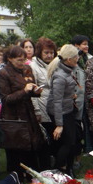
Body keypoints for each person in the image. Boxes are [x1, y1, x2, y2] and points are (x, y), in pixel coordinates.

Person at [0, 45, 45, 180]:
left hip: (28, 112)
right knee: (17, 147)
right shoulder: (4, 73)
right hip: (14, 116)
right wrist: (24, 91)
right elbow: (6, 99)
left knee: (32, 144)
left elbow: (29, 92)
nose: (22, 63)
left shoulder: (26, 70)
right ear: (10, 59)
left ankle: (32, 174)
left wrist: (35, 92)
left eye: (24, 60)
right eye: (19, 60)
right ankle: (17, 176)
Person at [46, 45, 80, 176]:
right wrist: (59, 125)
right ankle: (58, 168)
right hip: (59, 112)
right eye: (76, 56)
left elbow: (64, 94)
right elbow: (57, 101)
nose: (78, 58)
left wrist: (70, 95)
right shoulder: (60, 76)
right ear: (69, 59)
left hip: (68, 109)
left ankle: (69, 168)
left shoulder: (67, 69)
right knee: (68, 143)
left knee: (72, 141)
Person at [31, 37, 58, 167]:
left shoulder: (56, 64)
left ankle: (55, 163)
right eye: (46, 52)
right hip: (42, 105)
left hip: (56, 106)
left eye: (51, 52)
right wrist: (36, 110)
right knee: (46, 138)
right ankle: (46, 165)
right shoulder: (33, 66)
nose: (49, 55)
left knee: (55, 138)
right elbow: (33, 91)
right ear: (39, 52)